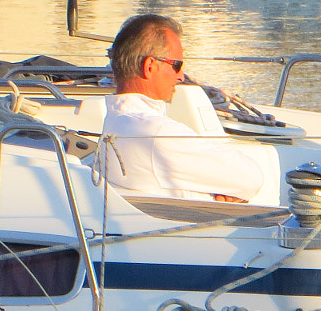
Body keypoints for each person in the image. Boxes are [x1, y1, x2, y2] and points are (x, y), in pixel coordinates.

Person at [96, 14, 269, 204]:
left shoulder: (115, 123)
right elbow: (252, 178)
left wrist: (204, 195)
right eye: (176, 65)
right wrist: (215, 197)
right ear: (150, 66)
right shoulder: (157, 133)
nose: (181, 76)